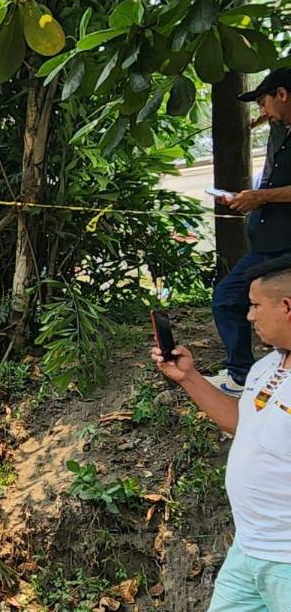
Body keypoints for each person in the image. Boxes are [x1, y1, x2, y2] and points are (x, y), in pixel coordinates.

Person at [154, 254, 291, 609]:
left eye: (255, 305)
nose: (248, 316)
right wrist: (189, 378)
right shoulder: (267, 365)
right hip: (248, 550)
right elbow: (243, 424)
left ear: (287, 306)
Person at [211, 67, 291, 394]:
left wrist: (262, 196)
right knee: (228, 298)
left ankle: (279, 379)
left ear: (282, 94)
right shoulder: (280, 134)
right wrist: (252, 200)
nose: (262, 112)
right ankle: (242, 373)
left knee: (279, 310)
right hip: (267, 242)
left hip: (286, 245)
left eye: (263, 103)